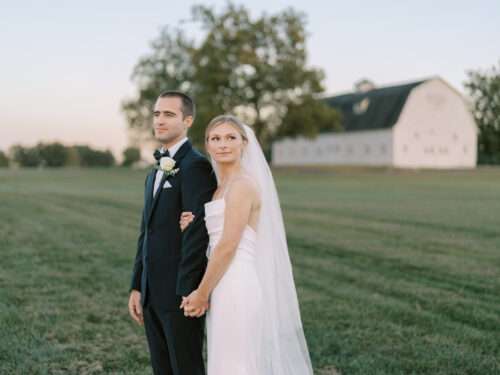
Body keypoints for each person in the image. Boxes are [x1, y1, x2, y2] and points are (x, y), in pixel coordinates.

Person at [180, 115, 314, 374]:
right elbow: (218, 234)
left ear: (244, 144)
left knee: (236, 363)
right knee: (226, 359)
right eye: (215, 139)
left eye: (231, 138)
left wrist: (201, 293)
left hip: (235, 282)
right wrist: (192, 224)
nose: (223, 144)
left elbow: (228, 245)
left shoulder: (241, 186)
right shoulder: (221, 188)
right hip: (222, 280)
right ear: (207, 146)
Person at [128, 91, 217, 375]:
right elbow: (147, 231)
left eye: (169, 114)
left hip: (180, 293)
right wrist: (137, 284)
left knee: (186, 367)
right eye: (156, 114)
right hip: (152, 291)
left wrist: (187, 289)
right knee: (162, 368)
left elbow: (197, 233)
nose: (160, 120)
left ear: (187, 120)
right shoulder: (155, 171)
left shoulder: (196, 166)